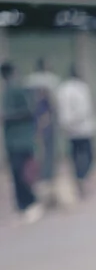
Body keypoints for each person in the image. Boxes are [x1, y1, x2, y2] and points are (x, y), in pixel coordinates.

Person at [1, 61, 44, 223]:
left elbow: (30, 112)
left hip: (23, 141)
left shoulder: (19, 90)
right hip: (12, 142)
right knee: (15, 174)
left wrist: (8, 116)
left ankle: (32, 203)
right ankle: (21, 206)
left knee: (24, 173)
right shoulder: (7, 91)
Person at [55, 65, 96, 194]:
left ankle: (79, 177)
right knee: (88, 155)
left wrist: (67, 123)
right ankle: (82, 177)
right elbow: (86, 108)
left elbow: (61, 111)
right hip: (84, 129)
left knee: (75, 155)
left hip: (70, 130)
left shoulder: (62, 89)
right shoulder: (82, 88)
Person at [25, 59, 60, 188]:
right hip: (45, 124)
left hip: (35, 125)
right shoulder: (50, 81)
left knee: (38, 152)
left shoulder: (29, 80)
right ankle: (46, 177)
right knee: (47, 152)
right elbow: (53, 106)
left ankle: (40, 177)